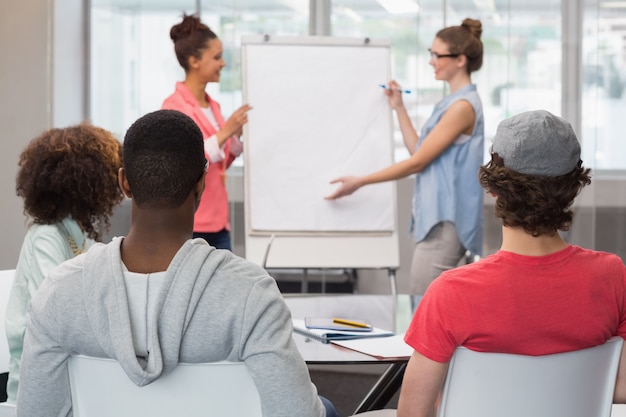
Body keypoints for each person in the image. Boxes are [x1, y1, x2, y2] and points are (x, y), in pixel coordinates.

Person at [16, 110, 338, 417]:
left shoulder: (58, 294)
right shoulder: (251, 295)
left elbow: (36, 411)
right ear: (201, 184)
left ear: (125, 183)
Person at [397, 110, 626, 417]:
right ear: (572, 189)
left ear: (494, 188)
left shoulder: (452, 291)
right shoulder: (612, 275)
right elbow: (621, 386)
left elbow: (413, 413)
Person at [326, 18, 484, 298]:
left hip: (446, 222)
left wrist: (360, 181)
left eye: (437, 55)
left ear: (460, 60)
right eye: (430, 54)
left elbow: (418, 162)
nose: (431, 61)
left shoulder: (462, 107)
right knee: (422, 300)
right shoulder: (450, 103)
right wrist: (398, 107)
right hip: (437, 221)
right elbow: (418, 151)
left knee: (422, 303)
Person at [5, 124, 124, 404]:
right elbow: (55, 312)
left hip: (75, 374)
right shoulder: (46, 236)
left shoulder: (81, 235)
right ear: (90, 184)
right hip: (39, 385)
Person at [162, 13, 251, 251]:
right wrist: (226, 132)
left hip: (219, 220)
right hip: (192, 220)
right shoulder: (173, 107)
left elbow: (219, 162)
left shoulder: (214, 107)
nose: (223, 63)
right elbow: (187, 161)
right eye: (217, 57)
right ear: (194, 61)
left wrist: (237, 135)